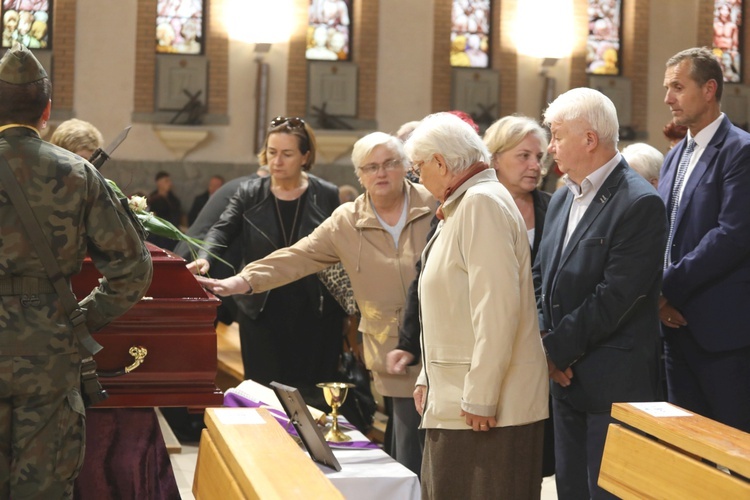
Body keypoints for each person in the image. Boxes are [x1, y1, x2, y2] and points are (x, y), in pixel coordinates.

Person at [190, 131, 436, 475]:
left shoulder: (437, 206)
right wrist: (241, 282)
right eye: (371, 167)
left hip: (443, 338)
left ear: (407, 167)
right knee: (410, 444)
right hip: (391, 346)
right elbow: (296, 257)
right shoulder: (347, 220)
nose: (381, 173)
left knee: (446, 446)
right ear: (360, 175)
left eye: (391, 164)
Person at [0, 43, 152, 498]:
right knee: (42, 487)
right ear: (46, 111)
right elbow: (132, 269)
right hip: (48, 351)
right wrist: (79, 318)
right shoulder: (78, 173)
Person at [402, 112, 548, 498]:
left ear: (440, 162)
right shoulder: (464, 204)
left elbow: (497, 309)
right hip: (456, 399)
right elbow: (449, 310)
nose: (418, 178)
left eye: (418, 168)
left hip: (486, 411)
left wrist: (482, 395)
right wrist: (426, 377)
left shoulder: (481, 204)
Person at [534, 87, 667, 500]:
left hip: (612, 381)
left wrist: (555, 351)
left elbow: (616, 298)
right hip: (565, 379)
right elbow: (540, 278)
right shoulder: (560, 198)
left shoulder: (638, 202)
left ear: (589, 140)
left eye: (557, 135)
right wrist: (547, 346)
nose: (550, 146)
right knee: (570, 491)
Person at [187, 116, 345, 402]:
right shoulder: (249, 193)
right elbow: (222, 229)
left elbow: (339, 245)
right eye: (272, 152)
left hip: (314, 310)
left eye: (287, 154)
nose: (277, 161)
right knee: (262, 394)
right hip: (261, 308)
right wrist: (205, 258)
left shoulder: (326, 194)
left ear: (305, 156)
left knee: (310, 397)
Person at [659, 47, 750, 433]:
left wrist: (664, 288)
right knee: (685, 453)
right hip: (673, 331)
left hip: (721, 333)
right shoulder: (675, 154)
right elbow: (663, 233)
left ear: (710, 88)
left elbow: (732, 236)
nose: (668, 99)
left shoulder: (740, 151)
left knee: (736, 453)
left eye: (678, 87)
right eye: (667, 88)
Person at [147, 171, 183, 250]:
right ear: (159, 183)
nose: (169, 183)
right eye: (166, 181)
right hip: (158, 233)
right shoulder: (153, 199)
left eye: (170, 181)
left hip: (172, 231)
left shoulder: (174, 200)